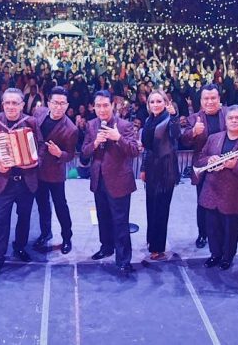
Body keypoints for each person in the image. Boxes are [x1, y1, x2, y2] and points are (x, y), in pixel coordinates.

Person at [0, 88, 42, 279]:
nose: (10, 106)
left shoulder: (31, 122)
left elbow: (40, 146)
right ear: (2, 104)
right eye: (7, 103)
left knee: (24, 217)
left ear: (22, 105)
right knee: (1, 221)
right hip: (4, 181)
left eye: (15, 103)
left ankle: (20, 247)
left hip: (27, 181)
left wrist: (36, 160)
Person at [81, 90, 142, 274]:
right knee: (103, 218)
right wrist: (95, 144)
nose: (102, 109)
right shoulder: (91, 125)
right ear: (93, 107)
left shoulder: (124, 125)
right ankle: (106, 247)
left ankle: (124, 260)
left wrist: (118, 138)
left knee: (120, 221)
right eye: (98, 106)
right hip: (98, 180)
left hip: (120, 181)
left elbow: (134, 151)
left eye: (105, 105)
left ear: (112, 106)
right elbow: (84, 153)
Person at [197, 105, 238, 270]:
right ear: (225, 120)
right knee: (212, 228)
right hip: (212, 191)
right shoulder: (214, 137)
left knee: (230, 230)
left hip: (234, 195)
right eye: (230, 118)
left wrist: (235, 165)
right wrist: (209, 160)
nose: (233, 121)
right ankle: (215, 254)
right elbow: (201, 157)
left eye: (237, 118)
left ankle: (227, 257)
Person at [31, 86, 78, 254]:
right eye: (55, 103)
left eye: (62, 104)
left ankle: (67, 237)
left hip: (55, 173)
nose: (58, 107)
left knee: (60, 206)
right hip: (36, 170)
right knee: (42, 205)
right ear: (48, 103)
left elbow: (71, 155)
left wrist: (59, 153)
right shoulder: (39, 113)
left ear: (67, 105)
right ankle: (45, 233)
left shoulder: (71, 129)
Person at [181, 84, 228, 249]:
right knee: (203, 203)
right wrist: (193, 132)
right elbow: (184, 140)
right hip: (202, 167)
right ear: (200, 100)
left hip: (225, 167)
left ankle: (221, 234)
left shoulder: (228, 114)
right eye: (206, 98)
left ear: (219, 99)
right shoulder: (194, 118)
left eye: (213, 98)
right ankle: (203, 234)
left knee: (224, 203)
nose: (209, 101)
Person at [140, 89, 180, 261]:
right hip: (151, 168)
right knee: (151, 206)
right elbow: (146, 147)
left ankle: (158, 247)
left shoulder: (170, 119)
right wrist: (143, 168)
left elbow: (176, 135)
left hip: (166, 169)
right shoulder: (149, 120)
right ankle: (151, 240)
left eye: (159, 101)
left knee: (161, 209)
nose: (155, 104)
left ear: (165, 103)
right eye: (152, 102)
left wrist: (175, 117)